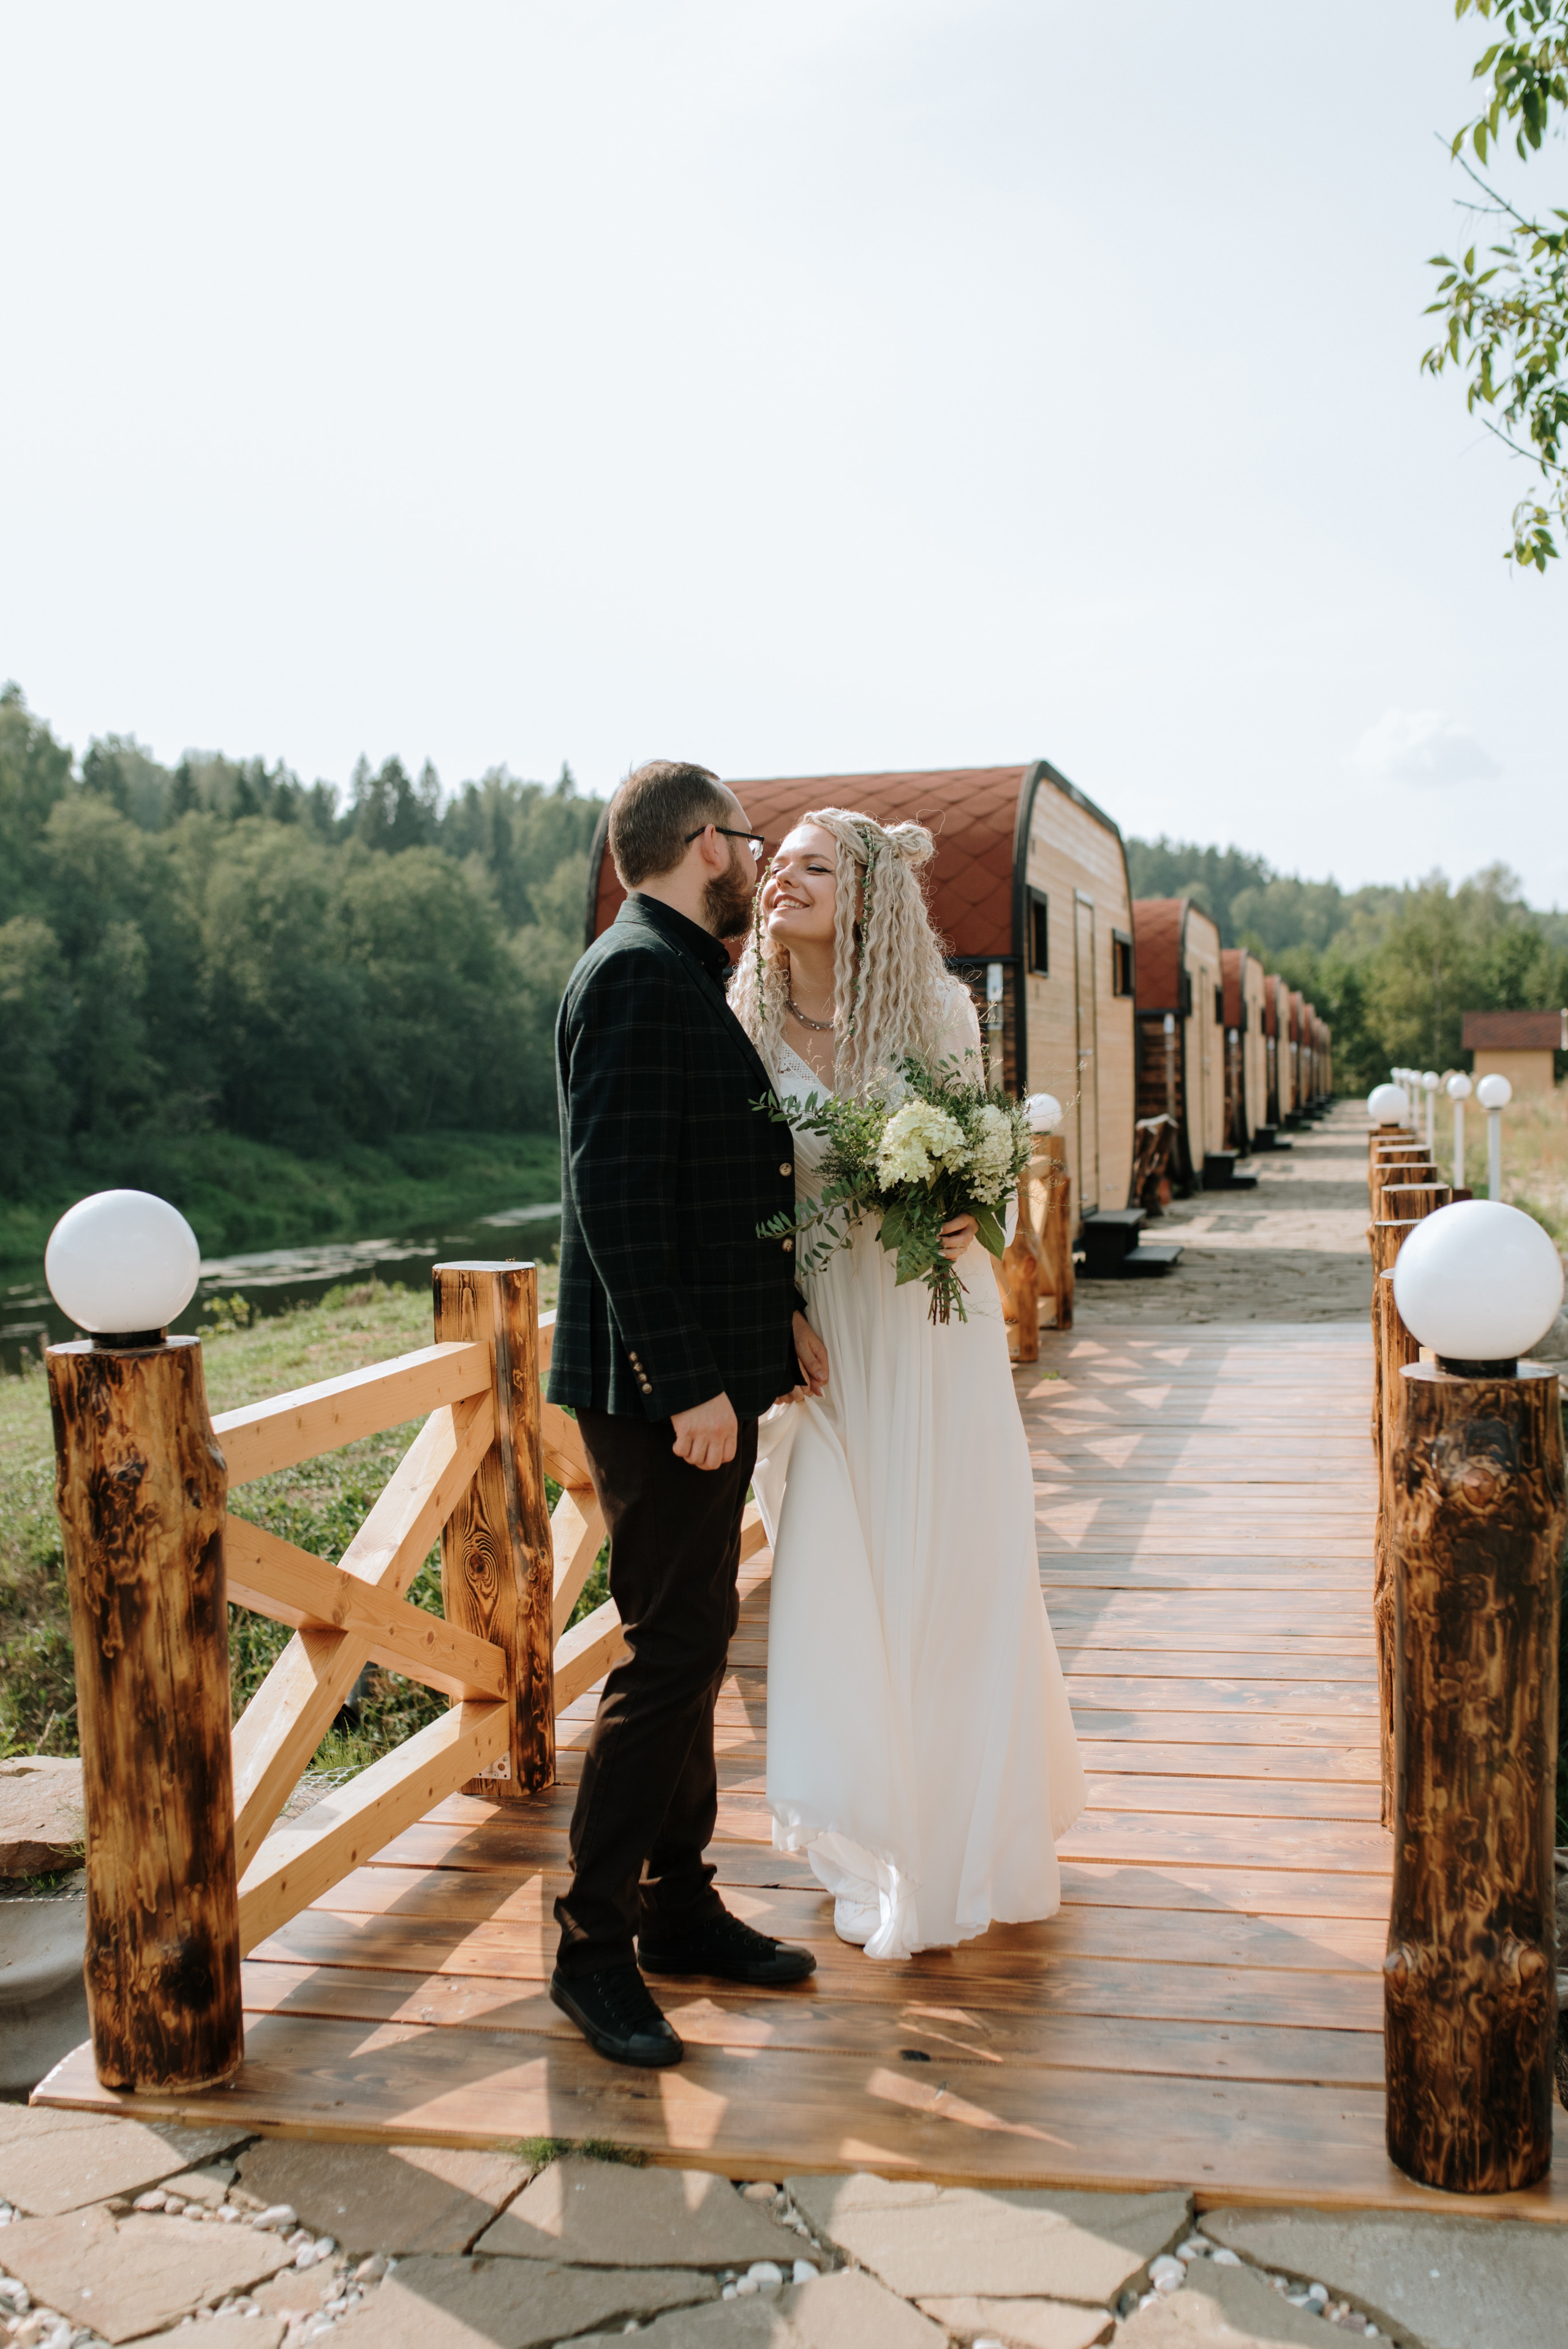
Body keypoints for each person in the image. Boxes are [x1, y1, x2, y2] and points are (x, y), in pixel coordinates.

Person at [732, 808, 1087, 1959]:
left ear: (870, 894)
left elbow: (988, 1153)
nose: (782, 878)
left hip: (935, 1321)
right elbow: (734, 1193)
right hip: (826, 1337)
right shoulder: (744, 1018)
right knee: (842, 1566)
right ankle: (870, 1841)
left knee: (951, 1561)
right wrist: (774, 1311)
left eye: (814, 865)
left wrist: (972, 1209)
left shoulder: (933, 1010)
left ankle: (962, 1835)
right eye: (776, 863)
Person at [548, 759, 827, 2068]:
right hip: (660, 1392)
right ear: (705, 845)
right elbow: (614, 1199)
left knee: (694, 1641)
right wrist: (688, 1382)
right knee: (670, 1655)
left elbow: (708, 1180)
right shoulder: (634, 977)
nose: (756, 860)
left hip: (699, 1375)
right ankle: (590, 1948)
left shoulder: (672, 971)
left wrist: (773, 1314)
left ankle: (676, 1905)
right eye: (749, 841)